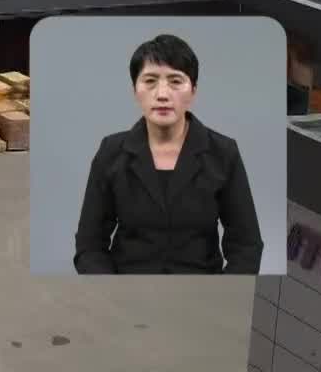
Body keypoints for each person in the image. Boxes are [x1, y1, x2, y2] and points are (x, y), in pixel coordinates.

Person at [73, 33, 263, 274]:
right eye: (150, 81)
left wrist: (221, 297)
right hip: (126, 294)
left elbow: (247, 245)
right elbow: (89, 245)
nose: (162, 94)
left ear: (193, 90)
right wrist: (111, 294)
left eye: (175, 81)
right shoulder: (111, 152)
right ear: (135, 90)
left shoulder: (223, 153)